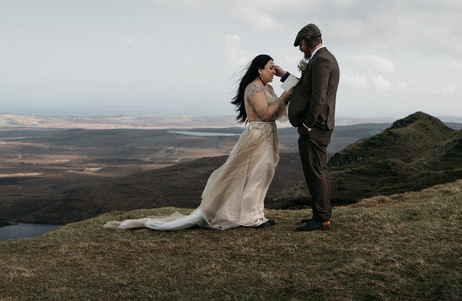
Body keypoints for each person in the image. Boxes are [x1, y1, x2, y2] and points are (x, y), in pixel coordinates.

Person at [104, 54, 293, 231]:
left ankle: (255, 214)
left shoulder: (267, 88)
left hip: (268, 136)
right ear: (259, 70)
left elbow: (277, 111)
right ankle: (252, 218)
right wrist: (284, 97)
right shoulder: (253, 88)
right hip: (258, 137)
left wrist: (286, 81)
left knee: (263, 174)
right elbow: (267, 114)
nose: (273, 72)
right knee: (254, 175)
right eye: (270, 68)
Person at [275, 24, 340, 231]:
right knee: (318, 170)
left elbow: (318, 96)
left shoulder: (321, 60)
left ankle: (321, 218)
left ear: (309, 40)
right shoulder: (322, 59)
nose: (300, 48)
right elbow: (304, 88)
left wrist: (307, 124)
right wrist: (284, 75)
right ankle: (322, 215)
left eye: (301, 44)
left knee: (315, 172)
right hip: (318, 125)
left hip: (316, 126)